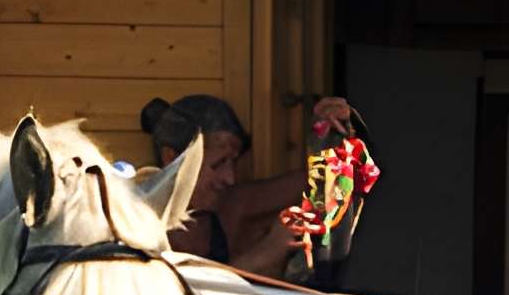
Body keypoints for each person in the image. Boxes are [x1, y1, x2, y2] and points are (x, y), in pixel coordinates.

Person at [140, 92, 352, 276]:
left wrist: (326, 132)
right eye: (218, 163)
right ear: (172, 158)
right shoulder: (138, 221)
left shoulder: (230, 205)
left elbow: (319, 181)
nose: (230, 178)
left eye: (233, 162)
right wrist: (265, 253)